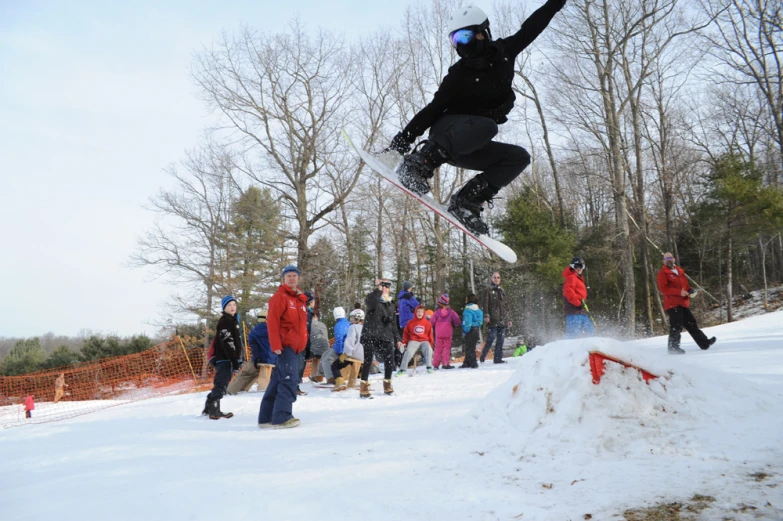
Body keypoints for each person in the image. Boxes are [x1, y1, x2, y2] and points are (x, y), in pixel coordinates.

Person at [387, 0, 567, 235]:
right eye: (454, 40)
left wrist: (555, 4)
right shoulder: (459, 74)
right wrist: (403, 140)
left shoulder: (505, 53)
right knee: (487, 126)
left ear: (481, 33)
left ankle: (466, 202)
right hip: (447, 132)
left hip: (472, 141)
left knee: (519, 157)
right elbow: (432, 109)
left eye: (463, 37)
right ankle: (419, 165)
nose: (460, 45)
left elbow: (532, 27)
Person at [258, 265, 309, 429]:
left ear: (298, 278)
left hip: (295, 347)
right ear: (284, 279)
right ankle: (282, 416)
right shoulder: (279, 297)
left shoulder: (299, 300)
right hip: (284, 345)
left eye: (295, 276)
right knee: (290, 379)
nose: (292, 278)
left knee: (278, 380)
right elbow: (272, 323)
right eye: (289, 276)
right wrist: (276, 345)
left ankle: (266, 417)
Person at [657, 252, 716, 354]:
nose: (669, 260)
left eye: (670, 258)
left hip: (683, 303)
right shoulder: (662, 273)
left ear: (674, 259)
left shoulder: (679, 271)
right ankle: (673, 348)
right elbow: (664, 289)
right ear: (664, 261)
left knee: (691, 323)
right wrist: (679, 292)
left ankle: (704, 343)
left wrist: (690, 290)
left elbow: (685, 286)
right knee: (676, 326)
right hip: (672, 304)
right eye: (666, 259)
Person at [359, 278, 403, 398]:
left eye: (387, 286)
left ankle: (387, 384)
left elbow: (393, 323)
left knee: (390, 360)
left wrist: (398, 339)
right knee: (368, 361)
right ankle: (363, 387)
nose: (385, 288)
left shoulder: (391, 304)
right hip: (371, 334)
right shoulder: (373, 298)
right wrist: (378, 289)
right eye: (383, 286)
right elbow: (371, 303)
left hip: (385, 335)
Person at [203, 295, 242, 419]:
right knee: (221, 384)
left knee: (222, 383)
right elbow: (228, 343)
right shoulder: (225, 321)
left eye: (234, 305)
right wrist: (234, 361)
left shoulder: (232, 320)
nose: (232, 307)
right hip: (224, 358)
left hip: (227, 359)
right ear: (224, 307)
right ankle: (214, 410)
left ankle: (208, 408)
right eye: (229, 305)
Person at [227, 309, 276, 395]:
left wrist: (256, 358)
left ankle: (231, 390)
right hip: (273, 360)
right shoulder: (273, 331)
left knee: (245, 374)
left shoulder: (253, 332)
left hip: (259, 359)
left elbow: (254, 348)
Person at [331, 308, 366, 392]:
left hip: (354, 353)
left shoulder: (353, 327)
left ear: (357, 318)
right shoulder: (366, 328)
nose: (351, 320)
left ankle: (340, 382)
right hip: (364, 355)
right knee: (355, 363)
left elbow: (350, 341)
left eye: (352, 318)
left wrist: (346, 353)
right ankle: (363, 378)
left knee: (335, 365)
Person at [481, 272, 512, 363]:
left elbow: (506, 306)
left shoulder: (502, 290)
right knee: (491, 338)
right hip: (493, 319)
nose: (496, 279)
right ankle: (483, 356)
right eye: (494, 277)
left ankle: (498, 358)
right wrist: (486, 315)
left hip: (502, 318)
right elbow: (485, 303)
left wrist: (509, 318)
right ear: (491, 278)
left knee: (501, 340)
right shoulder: (488, 290)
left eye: (498, 277)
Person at [562, 257, 596, 339]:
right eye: (576, 266)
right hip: (574, 311)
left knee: (591, 331)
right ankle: (566, 349)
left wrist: (581, 304)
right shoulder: (572, 278)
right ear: (572, 267)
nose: (579, 269)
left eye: (581, 266)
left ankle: (588, 348)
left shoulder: (578, 278)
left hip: (581, 311)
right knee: (573, 335)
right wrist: (578, 303)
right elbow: (568, 292)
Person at [397, 305, 434, 376]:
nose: (420, 313)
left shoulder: (427, 323)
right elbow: (406, 334)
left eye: (421, 312)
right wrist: (404, 342)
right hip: (414, 340)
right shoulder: (410, 322)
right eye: (418, 312)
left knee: (429, 350)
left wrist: (431, 344)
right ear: (415, 312)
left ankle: (429, 367)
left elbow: (430, 335)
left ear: (424, 313)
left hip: (424, 340)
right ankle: (402, 369)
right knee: (408, 351)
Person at [318, 307, 350, 385]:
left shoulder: (338, 325)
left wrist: (339, 352)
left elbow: (340, 340)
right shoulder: (347, 322)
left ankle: (331, 378)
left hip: (341, 349)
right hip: (344, 347)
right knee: (325, 354)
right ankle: (320, 375)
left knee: (327, 359)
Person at [430, 294, 461, 369]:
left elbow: (431, 322)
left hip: (439, 334)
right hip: (448, 333)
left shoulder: (436, 313)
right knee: (446, 349)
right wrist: (456, 323)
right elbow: (457, 321)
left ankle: (435, 364)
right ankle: (445, 363)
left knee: (437, 349)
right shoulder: (450, 312)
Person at [460, 293, 483, 368]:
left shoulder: (468, 310)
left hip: (470, 331)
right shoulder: (479, 310)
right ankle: (466, 362)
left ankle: (473, 363)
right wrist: (475, 324)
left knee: (469, 348)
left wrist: (465, 330)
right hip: (476, 330)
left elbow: (468, 322)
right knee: (472, 346)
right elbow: (480, 322)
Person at [308, 311, 331, 382]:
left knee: (310, 354)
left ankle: (313, 375)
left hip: (314, 350)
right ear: (316, 317)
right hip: (326, 349)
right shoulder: (323, 325)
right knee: (319, 356)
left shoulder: (308, 324)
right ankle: (316, 375)